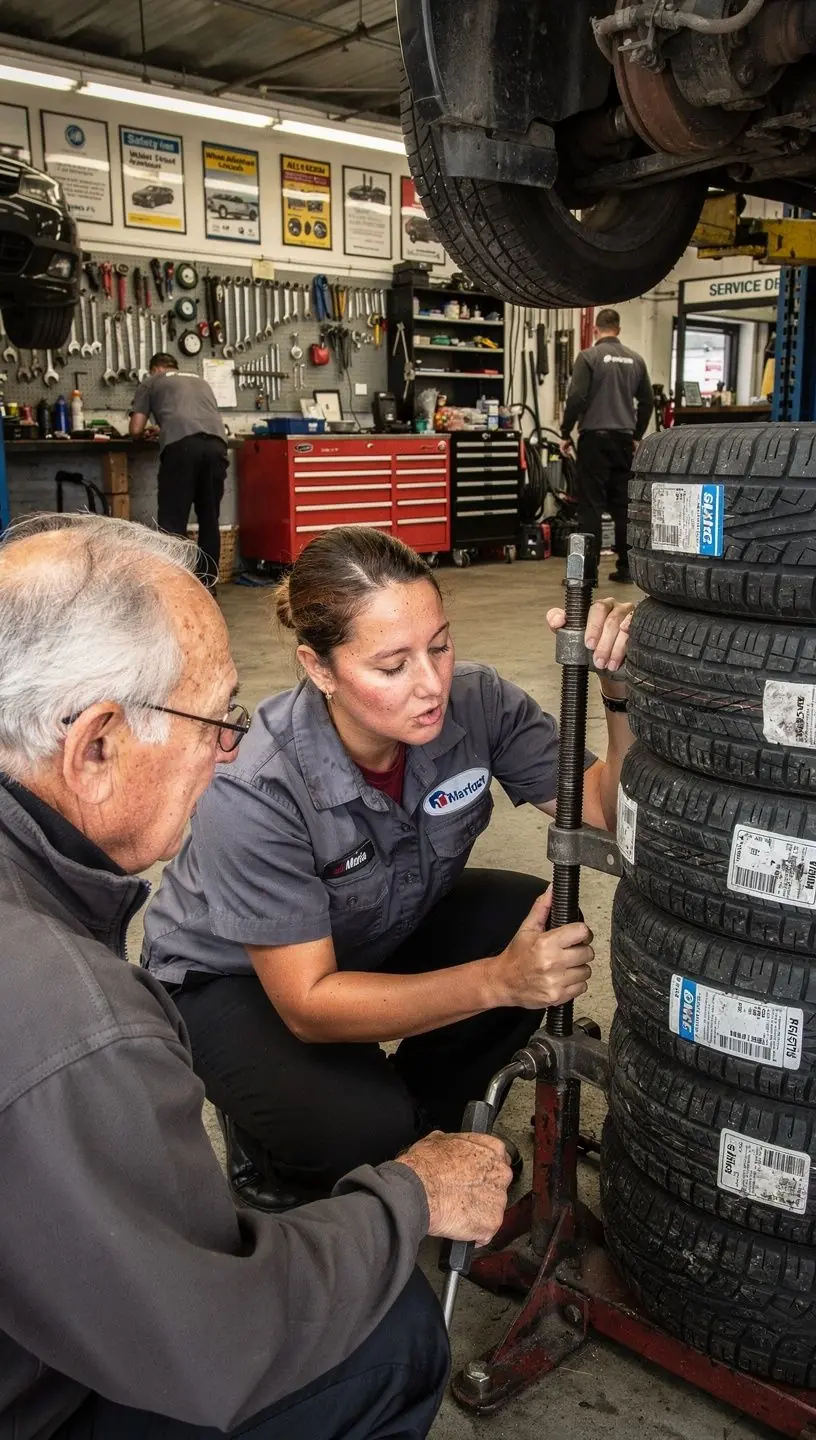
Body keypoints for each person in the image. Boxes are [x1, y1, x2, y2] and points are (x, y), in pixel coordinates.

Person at [0, 513, 514, 1440]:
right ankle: (305, 1135)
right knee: (389, 1328)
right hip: (246, 984)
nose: (228, 748)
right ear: (97, 745)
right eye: (214, 719)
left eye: (438, 649)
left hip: (349, 945)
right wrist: (406, 1196)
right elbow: (207, 1336)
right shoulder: (78, 1023)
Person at [143, 525, 635, 1211]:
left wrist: (617, 693)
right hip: (235, 980)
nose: (431, 684)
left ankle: (422, 1123)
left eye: (439, 646)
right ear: (318, 669)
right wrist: (498, 981)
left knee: (536, 919)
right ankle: (282, 1143)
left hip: (366, 929)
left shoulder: (478, 702)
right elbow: (309, 1003)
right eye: (391, 666)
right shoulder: (258, 782)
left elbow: (606, 815)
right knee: (360, 1131)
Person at [559, 308, 654, 584]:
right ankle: (626, 569)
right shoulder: (636, 360)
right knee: (622, 507)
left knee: (590, 507)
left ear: (596, 330)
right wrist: (636, 434)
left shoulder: (588, 357)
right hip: (623, 441)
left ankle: (586, 574)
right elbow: (647, 402)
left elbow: (576, 397)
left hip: (594, 440)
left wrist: (565, 431)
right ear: (619, 330)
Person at [130, 353, 227, 589]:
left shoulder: (151, 382)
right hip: (217, 445)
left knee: (173, 522)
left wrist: (150, 432)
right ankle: (207, 585)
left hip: (182, 447)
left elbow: (135, 429)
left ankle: (175, 586)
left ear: (155, 369)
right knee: (209, 519)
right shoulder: (200, 381)